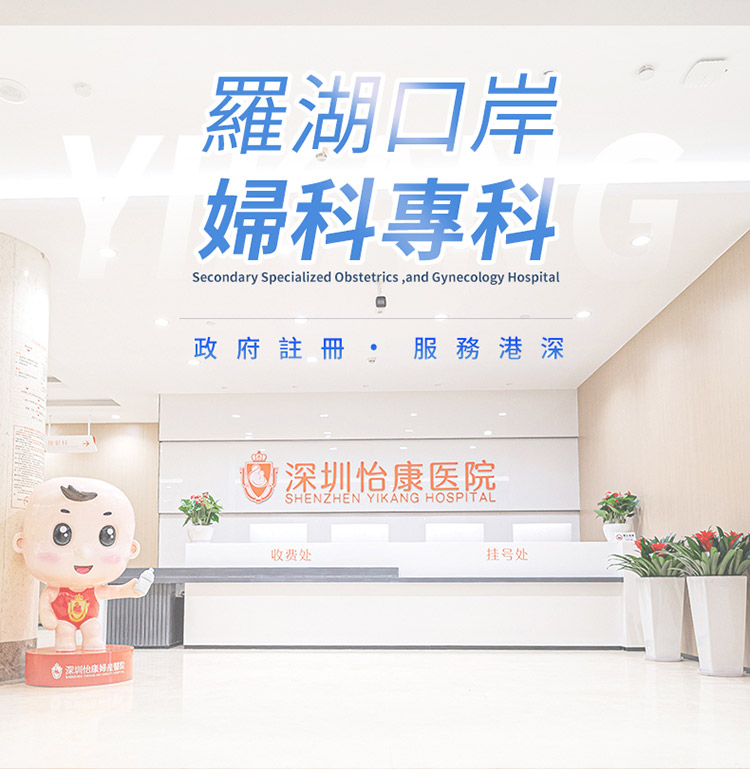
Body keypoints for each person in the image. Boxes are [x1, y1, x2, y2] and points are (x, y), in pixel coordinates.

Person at [13, 477, 153, 652]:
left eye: (106, 537)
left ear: (132, 549)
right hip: (64, 621)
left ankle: (92, 644)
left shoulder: (92, 589)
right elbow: (46, 605)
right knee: (64, 636)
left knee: (93, 631)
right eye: (62, 536)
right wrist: (49, 618)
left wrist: (131, 589)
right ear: (22, 543)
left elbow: (113, 591)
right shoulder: (54, 591)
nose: (84, 553)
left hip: (89, 620)